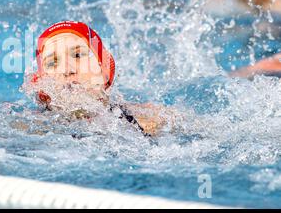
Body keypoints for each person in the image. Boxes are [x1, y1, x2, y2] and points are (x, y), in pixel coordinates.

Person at [29, 20, 177, 137]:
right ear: (42, 88)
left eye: (78, 55)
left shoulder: (149, 119)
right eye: (53, 63)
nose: (67, 70)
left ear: (105, 69)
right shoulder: (31, 128)